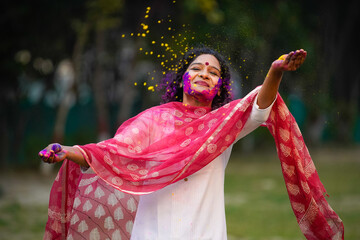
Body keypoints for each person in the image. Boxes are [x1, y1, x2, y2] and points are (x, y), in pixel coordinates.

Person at [39, 47, 343, 240]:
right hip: (152, 233)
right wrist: (69, 152)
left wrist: (275, 72)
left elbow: (261, 106)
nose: (204, 74)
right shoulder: (153, 120)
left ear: (220, 87)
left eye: (213, 73)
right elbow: (114, 152)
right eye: (197, 68)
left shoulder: (222, 126)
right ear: (182, 77)